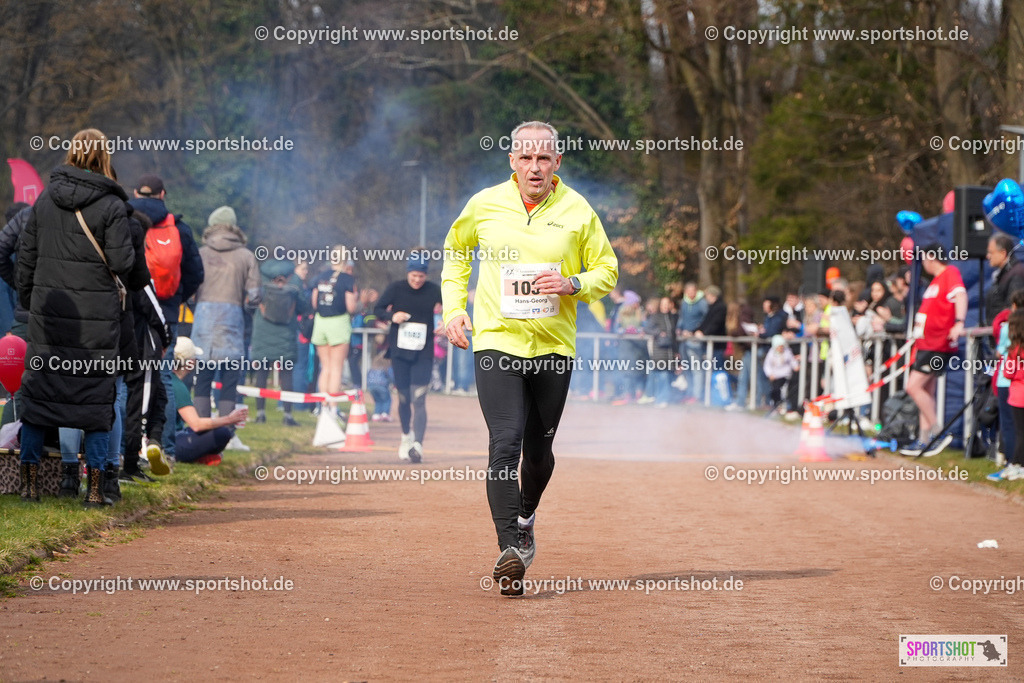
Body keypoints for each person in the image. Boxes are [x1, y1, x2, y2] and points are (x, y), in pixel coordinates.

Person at [442, 120, 618, 596]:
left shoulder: (578, 210)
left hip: (553, 347)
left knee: (538, 453)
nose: (534, 166)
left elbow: (608, 269)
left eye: (544, 158)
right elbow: (456, 253)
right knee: (505, 443)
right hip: (498, 341)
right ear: (512, 161)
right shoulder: (484, 204)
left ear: (557, 161)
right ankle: (511, 549)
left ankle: (526, 517)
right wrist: (455, 308)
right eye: (526, 157)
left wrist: (573, 283)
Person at [16, 128, 134, 505]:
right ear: (104, 157)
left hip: (48, 317)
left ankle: (30, 487)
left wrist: (30, 301)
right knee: (95, 404)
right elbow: (122, 262)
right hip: (96, 322)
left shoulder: (45, 200)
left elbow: (26, 260)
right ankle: (95, 491)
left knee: (38, 400)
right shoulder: (112, 206)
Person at [129, 174, 204, 463]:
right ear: (163, 194)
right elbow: (196, 273)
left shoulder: (121, 219)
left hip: (131, 309)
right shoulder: (179, 228)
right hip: (166, 313)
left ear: (135, 191)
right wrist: (174, 300)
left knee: (126, 378)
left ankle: (127, 452)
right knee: (164, 377)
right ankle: (167, 450)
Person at [190, 206, 260, 451]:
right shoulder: (246, 256)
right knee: (230, 379)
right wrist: (246, 309)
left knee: (202, 379)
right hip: (232, 320)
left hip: (203, 321)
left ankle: (201, 433)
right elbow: (254, 296)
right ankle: (226, 435)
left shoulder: (199, 253)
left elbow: (189, 289)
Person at [374, 252, 442, 462]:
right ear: (408, 273)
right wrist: (391, 316)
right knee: (404, 398)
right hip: (400, 352)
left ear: (426, 275)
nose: (417, 280)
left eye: (421, 276)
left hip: (424, 352)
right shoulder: (396, 288)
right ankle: (406, 437)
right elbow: (376, 309)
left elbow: (452, 306)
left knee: (419, 398)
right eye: (414, 275)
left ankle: (418, 445)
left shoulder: (433, 290)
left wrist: (447, 321)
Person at [899, 244, 967, 457]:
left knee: (913, 387)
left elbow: (961, 295)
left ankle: (938, 431)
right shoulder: (934, 282)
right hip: (925, 344)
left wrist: (959, 321)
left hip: (937, 344)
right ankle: (924, 439)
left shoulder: (950, 273)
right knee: (925, 392)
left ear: (931, 257)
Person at [170, 337, 247, 465]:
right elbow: (196, 424)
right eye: (194, 358)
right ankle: (195, 456)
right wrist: (229, 419)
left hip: (167, 437)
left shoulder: (168, 379)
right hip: (172, 442)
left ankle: (200, 456)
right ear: (189, 363)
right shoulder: (177, 385)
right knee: (223, 433)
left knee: (206, 431)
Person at [251, 257, 307, 426]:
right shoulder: (294, 278)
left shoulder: (261, 276)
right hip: (286, 332)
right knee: (286, 374)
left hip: (262, 330)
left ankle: (260, 414)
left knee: (261, 373)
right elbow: (303, 306)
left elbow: (252, 300)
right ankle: (287, 416)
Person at [311, 247, 358, 410]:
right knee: (336, 368)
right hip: (339, 323)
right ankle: (333, 408)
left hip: (320, 323)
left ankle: (322, 406)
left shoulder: (319, 277)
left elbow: (315, 303)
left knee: (325, 367)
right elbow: (351, 307)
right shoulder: (347, 279)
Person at [992, 308, 1024, 481]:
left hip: (1018, 397)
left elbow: (1008, 373)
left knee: (1019, 433)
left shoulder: (1014, 350)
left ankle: (1017, 465)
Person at [644, 296, 677, 407]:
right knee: (662, 375)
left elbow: (674, 335)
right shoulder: (655, 317)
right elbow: (647, 328)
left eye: (668, 303)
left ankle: (663, 398)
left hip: (670, 351)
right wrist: (659, 333)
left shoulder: (672, 317)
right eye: (664, 303)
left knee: (667, 376)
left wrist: (676, 352)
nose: (666, 306)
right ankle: (661, 399)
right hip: (659, 350)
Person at [677, 282, 707, 402]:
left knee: (697, 368)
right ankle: (689, 393)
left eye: (692, 290)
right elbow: (682, 318)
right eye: (688, 291)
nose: (690, 293)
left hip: (695, 341)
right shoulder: (684, 303)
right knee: (686, 368)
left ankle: (697, 395)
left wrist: (695, 331)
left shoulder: (702, 303)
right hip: (684, 340)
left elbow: (706, 319)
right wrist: (679, 329)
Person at [985, 233, 1024, 322]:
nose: (988, 256)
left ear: (1003, 253)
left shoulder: (1016, 274)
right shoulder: (1003, 275)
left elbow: (1013, 310)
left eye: (991, 252)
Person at [764, 334, 799, 413]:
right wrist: (770, 374)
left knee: (783, 391)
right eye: (779, 346)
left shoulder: (787, 351)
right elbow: (767, 365)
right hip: (775, 376)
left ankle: (784, 406)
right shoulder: (771, 353)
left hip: (785, 375)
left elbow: (792, 360)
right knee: (775, 391)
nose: (781, 348)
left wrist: (795, 366)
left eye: (782, 346)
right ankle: (776, 406)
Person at [367, 335, 394, 422]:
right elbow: (391, 375)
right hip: (381, 385)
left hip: (370, 385)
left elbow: (368, 374)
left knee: (378, 400)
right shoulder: (386, 365)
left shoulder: (374, 364)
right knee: (387, 399)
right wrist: (394, 383)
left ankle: (376, 414)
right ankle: (385, 414)